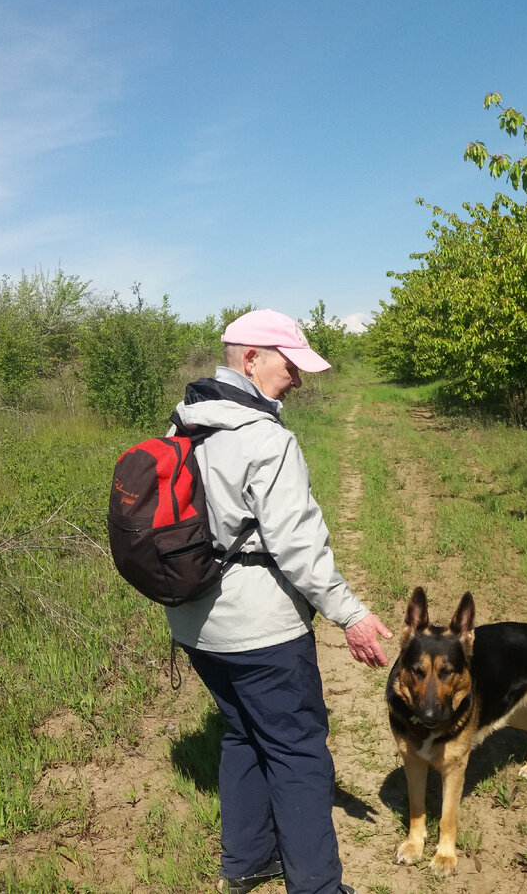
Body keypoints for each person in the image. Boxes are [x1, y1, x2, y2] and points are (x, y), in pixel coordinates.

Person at [165, 308, 392, 894]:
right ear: (251, 359)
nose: (296, 378)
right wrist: (352, 614)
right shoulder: (267, 438)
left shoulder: (181, 428)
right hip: (261, 630)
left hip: (195, 624)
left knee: (242, 733)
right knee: (297, 752)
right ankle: (317, 887)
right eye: (289, 365)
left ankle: (246, 863)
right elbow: (299, 548)